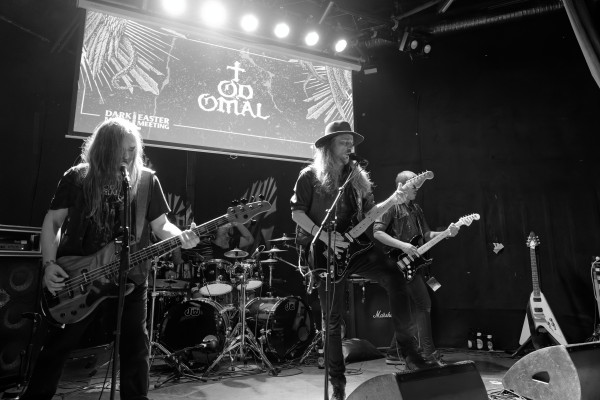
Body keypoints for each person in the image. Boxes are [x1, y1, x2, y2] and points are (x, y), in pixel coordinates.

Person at [22, 118, 200, 400]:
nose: (127, 156)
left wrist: (182, 236)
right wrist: (49, 264)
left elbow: (161, 225)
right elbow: (53, 221)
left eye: (132, 149)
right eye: (121, 149)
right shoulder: (77, 178)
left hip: (131, 277)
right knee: (58, 345)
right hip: (79, 276)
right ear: (104, 148)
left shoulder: (146, 180)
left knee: (135, 347)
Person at [290, 121, 429, 400]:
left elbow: (370, 214)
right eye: (343, 142)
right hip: (325, 251)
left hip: (355, 247)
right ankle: (338, 384)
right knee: (332, 320)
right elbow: (296, 213)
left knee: (395, 275)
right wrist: (324, 236)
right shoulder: (310, 176)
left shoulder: (357, 178)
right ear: (328, 147)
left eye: (350, 142)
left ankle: (409, 351)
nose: (349, 147)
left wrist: (393, 200)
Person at [373, 170, 460, 367]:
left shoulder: (416, 208)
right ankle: (428, 354)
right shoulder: (391, 206)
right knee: (423, 304)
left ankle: (394, 352)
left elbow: (426, 234)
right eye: (414, 186)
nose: (417, 190)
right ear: (402, 186)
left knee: (412, 310)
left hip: (414, 263)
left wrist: (446, 233)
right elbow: (377, 232)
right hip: (398, 264)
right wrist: (403, 246)